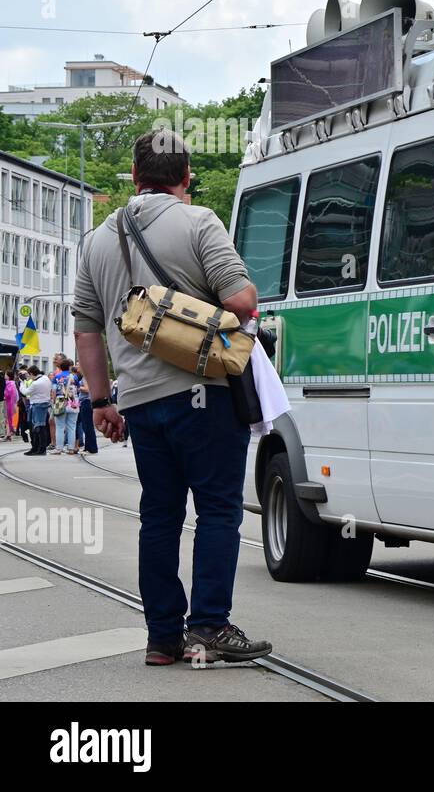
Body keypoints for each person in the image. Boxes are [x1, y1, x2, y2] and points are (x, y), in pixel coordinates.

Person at [74, 128, 271, 668]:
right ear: (186, 178)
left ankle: (162, 637)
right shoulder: (200, 221)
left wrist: (99, 403)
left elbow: (86, 331)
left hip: (137, 400)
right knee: (216, 511)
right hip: (201, 393)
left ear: (135, 179)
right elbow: (241, 301)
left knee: (158, 516)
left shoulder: (96, 240)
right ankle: (207, 626)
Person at [51, 357, 81, 455]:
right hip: (73, 402)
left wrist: (53, 402)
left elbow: (54, 391)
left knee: (59, 426)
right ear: (69, 367)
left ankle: (59, 448)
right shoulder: (74, 377)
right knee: (72, 426)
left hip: (60, 401)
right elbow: (78, 388)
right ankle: (71, 448)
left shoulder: (56, 377)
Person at [19, 366, 51, 456]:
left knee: (38, 427)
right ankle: (37, 448)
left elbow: (25, 392)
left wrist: (22, 382)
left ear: (32, 374)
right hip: (44, 404)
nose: (28, 377)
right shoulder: (45, 378)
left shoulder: (36, 383)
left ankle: (40, 449)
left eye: (28, 375)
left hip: (37, 405)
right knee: (40, 427)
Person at [75, 369, 98, 454]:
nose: (77, 367)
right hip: (87, 402)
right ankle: (88, 447)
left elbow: (87, 389)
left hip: (86, 402)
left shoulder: (85, 378)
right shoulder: (89, 377)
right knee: (86, 426)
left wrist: (78, 387)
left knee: (87, 426)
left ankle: (91, 448)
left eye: (79, 365)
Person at [3, 370, 18, 441]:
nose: (4, 376)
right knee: (8, 419)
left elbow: (7, 394)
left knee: (8, 419)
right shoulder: (12, 383)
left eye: (5, 374)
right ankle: (9, 433)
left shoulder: (9, 384)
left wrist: (4, 395)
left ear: (8, 376)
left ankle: (9, 433)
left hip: (8, 403)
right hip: (11, 403)